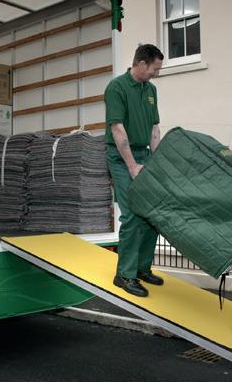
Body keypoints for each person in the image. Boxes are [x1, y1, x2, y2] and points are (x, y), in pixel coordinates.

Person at [104, 44, 164, 298]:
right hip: (121, 157)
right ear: (141, 64)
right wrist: (131, 166)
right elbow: (117, 129)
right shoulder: (116, 88)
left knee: (152, 213)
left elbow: (154, 130)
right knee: (131, 216)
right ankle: (124, 275)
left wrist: (157, 163)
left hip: (144, 155)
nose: (156, 74)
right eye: (155, 69)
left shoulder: (151, 90)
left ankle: (141, 268)